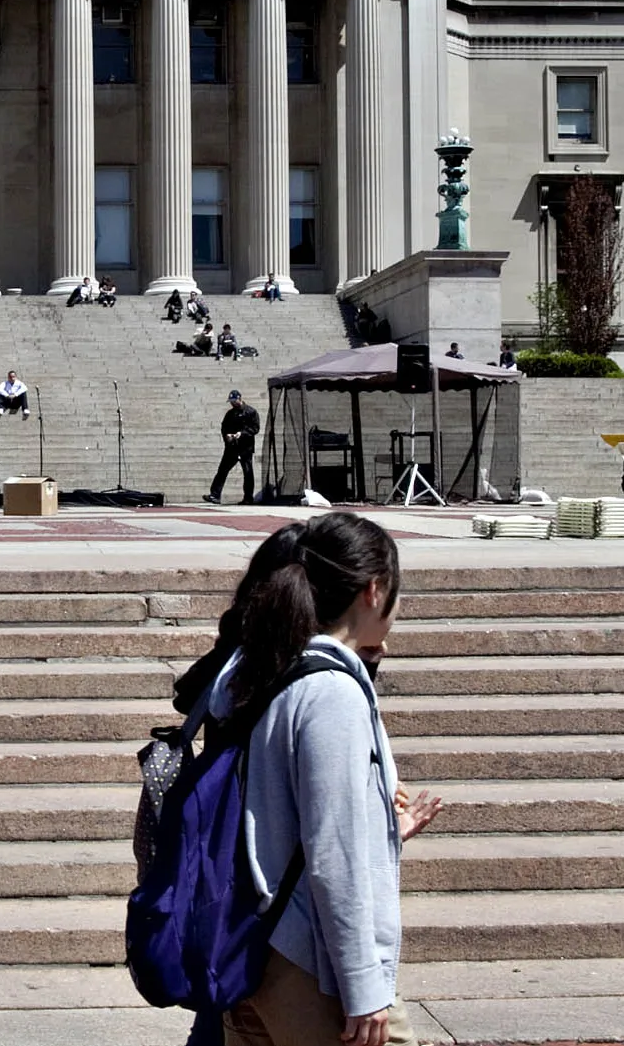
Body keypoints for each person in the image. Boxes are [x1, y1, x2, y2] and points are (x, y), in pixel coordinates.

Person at [190, 513, 434, 1046]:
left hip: (247, 945)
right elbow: (335, 853)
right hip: (306, 957)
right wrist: (366, 985)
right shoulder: (331, 693)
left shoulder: (261, 667)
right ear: (373, 591)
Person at [205, 390, 262, 505]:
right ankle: (215, 495)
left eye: (233, 401)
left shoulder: (251, 412)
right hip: (232, 447)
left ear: (239, 399)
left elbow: (255, 428)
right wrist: (227, 436)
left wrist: (242, 434)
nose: (232, 404)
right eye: (230, 402)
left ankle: (248, 498)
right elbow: (224, 427)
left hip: (245, 448)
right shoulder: (230, 414)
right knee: (222, 470)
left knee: (248, 473)